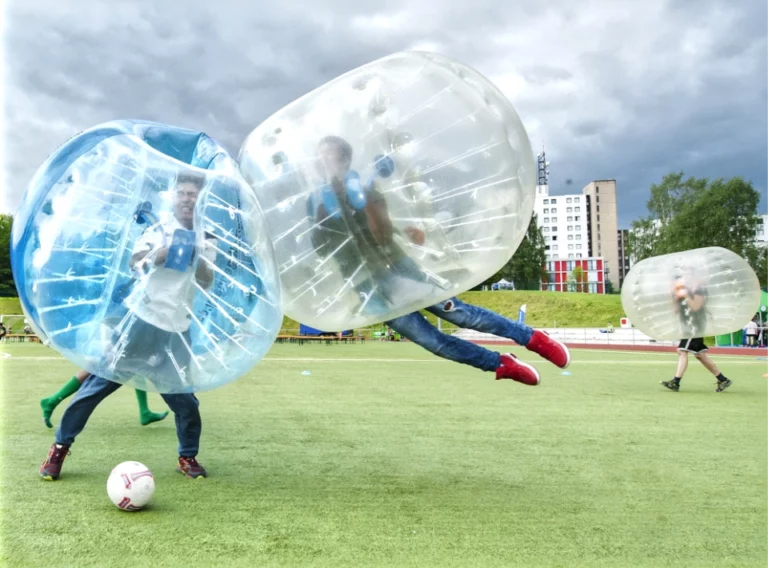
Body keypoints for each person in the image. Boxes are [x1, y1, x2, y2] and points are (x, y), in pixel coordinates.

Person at [308, 135, 570, 386]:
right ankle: (499, 364)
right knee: (432, 341)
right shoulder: (317, 201)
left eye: (329, 157)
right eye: (320, 158)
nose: (323, 163)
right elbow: (322, 250)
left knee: (460, 314)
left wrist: (357, 204)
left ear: (344, 161)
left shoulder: (365, 189)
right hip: (365, 285)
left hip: (397, 266)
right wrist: (323, 221)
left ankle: (531, 337)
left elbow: (384, 232)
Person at [40, 173, 216, 481]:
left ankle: (187, 457)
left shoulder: (208, 237)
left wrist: (196, 255)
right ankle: (59, 448)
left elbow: (207, 281)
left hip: (177, 328)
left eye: (194, 195)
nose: (189, 199)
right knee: (98, 385)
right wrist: (166, 251)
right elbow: (135, 262)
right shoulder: (158, 229)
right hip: (140, 322)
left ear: (201, 201)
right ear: (175, 197)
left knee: (184, 399)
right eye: (184, 193)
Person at [661, 268, 732, 392]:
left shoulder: (700, 290)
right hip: (687, 324)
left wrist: (686, 293)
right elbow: (675, 311)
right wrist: (673, 295)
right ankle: (723, 379)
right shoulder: (682, 291)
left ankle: (676, 382)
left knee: (682, 351)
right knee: (700, 354)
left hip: (695, 325)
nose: (685, 278)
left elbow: (695, 306)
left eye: (688, 275)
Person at [40, 369, 169, 428]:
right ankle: (52, 401)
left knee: (135, 365)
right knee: (95, 367)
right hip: (111, 325)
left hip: (112, 323)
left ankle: (144, 411)